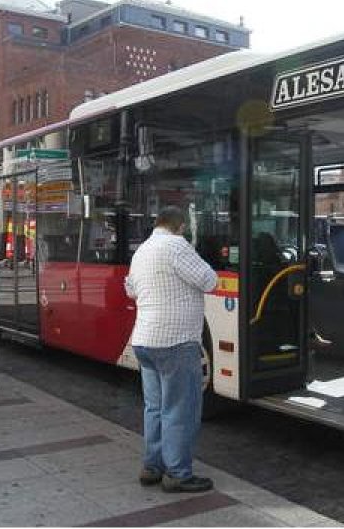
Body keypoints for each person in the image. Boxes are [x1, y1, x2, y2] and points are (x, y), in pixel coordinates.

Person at [124, 206, 218, 493]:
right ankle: (178, 473)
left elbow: (130, 289)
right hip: (175, 342)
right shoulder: (178, 246)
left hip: (144, 341)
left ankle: (153, 467)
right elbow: (209, 281)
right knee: (179, 409)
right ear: (179, 226)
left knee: (154, 407)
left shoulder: (142, 250)